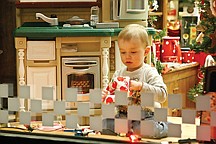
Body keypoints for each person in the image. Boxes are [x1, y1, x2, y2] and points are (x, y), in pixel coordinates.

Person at [102, 24, 168, 138]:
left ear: (146, 52)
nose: (127, 56)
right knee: (106, 126)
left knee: (145, 130)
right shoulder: (119, 74)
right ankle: (130, 130)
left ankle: (165, 126)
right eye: (123, 52)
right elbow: (112, 95)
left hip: (146, 115)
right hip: (124, 115)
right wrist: (106, 95)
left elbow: (162, 95)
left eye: (133, 52)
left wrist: (141, 87)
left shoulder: (149, 72)